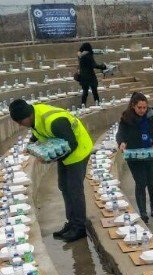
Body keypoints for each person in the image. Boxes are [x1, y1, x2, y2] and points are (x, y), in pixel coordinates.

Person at [9, 99, 94, 242]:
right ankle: (71, 223)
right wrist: (31, 143)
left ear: (28, 115)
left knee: (74, 189)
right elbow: (38, 131)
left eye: (20, 121)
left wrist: (50, 158)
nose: (20, 124)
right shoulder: (34, 115)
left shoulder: (55, 122)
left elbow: (72, 144)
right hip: (66, 154)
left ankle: (79, 228)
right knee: (64, 186)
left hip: (78, 152)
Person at [117, 92, 153, 223]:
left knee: (151, 181)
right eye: (139, 107)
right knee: (140, 182)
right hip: (134, 156)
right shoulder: (126, 118)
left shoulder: (152, 117)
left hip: (150, 154)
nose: (142, 110)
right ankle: (143, 212)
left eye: (144, 107)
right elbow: (121, 134)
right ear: (133, 106)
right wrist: (122, 142)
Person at [76, 42, 107, 106]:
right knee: (94, 91)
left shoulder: (80, 56)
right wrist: (103, 66)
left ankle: (83, 105)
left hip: (83, 76)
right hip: (90, 76)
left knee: (85, 92)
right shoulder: (88, 55)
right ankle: (98, 104)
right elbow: (94, 65)